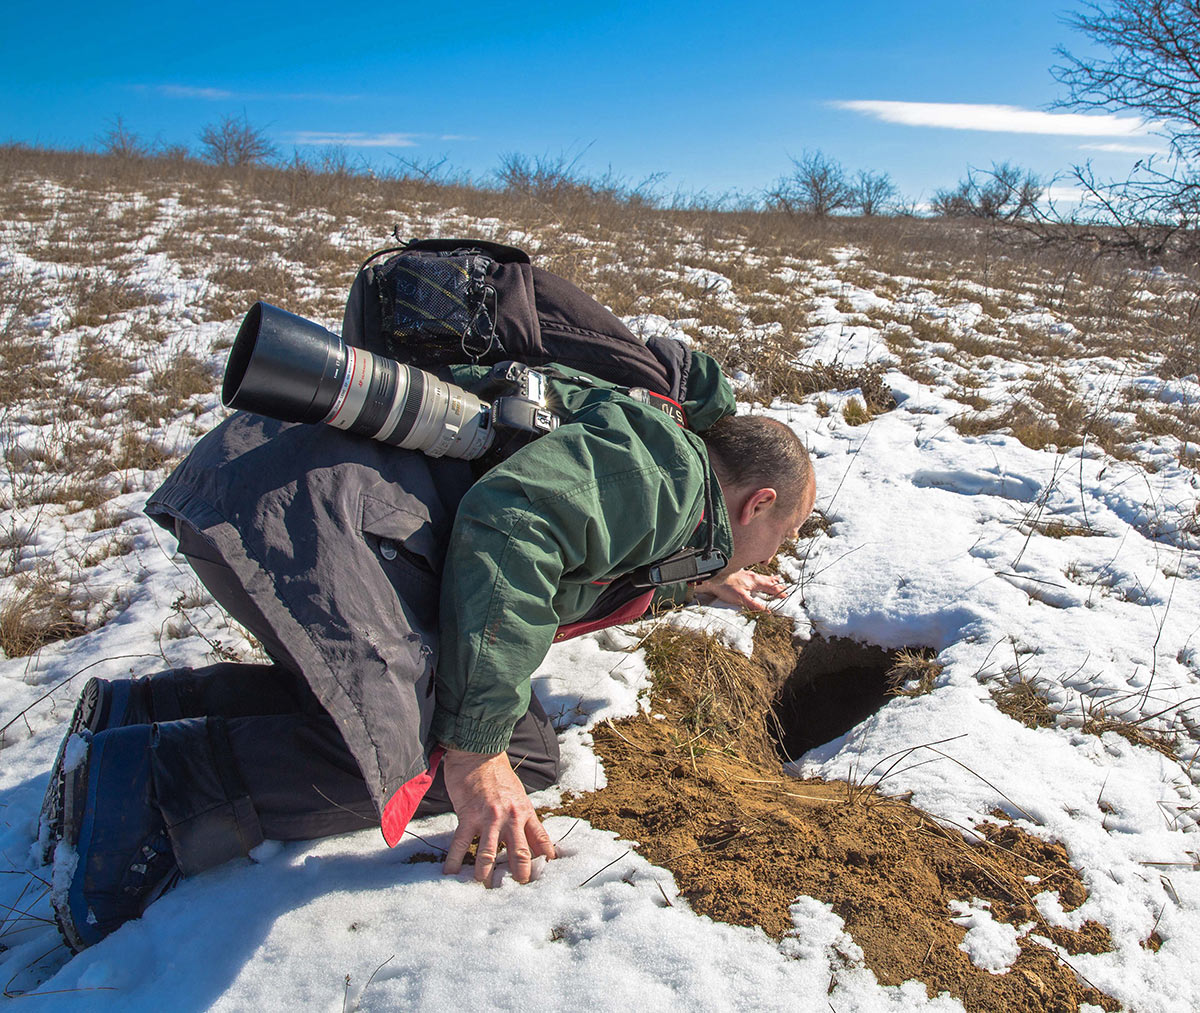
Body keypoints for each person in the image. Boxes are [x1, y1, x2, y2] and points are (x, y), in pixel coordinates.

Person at [41, 351, 815, 952]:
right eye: (780, 537)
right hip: (304, 525)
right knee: (482, 753)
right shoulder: (670, 478)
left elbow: (589, 547)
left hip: (270, 486)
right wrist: (474, 751)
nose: (765, 553)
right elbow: (515, 524)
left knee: (518, 737)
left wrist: (698, 583)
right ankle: (142, 790)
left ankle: (146, 714)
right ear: (760, 503)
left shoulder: (657, 450)